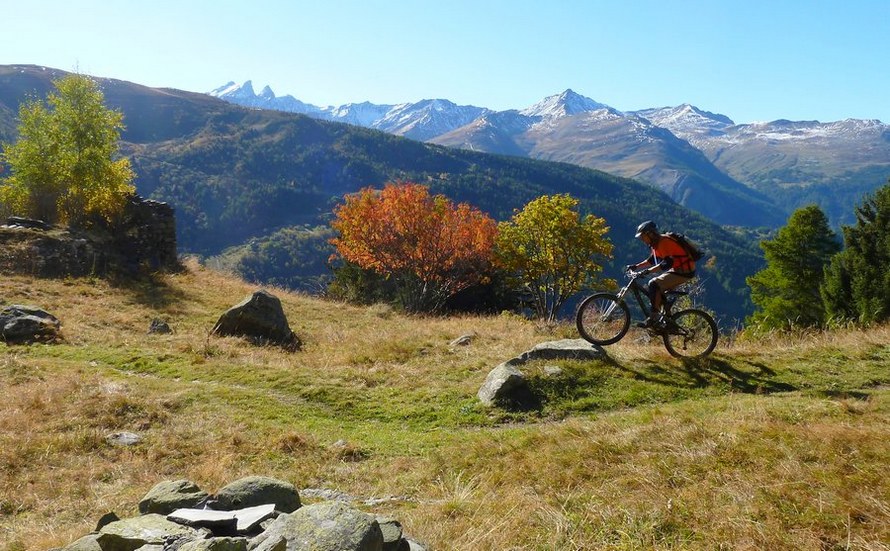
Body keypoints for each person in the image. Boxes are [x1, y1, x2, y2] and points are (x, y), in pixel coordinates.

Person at [625, 220, 696, 328]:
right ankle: (668, 320)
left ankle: (653, 317)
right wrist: (636, 266)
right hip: (678, 269)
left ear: (650, 234)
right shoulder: (656, 243)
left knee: (653, 284)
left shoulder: (664, 242)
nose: (642, 239)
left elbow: (666, 264)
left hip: (684, 271)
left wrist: (647, 271)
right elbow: (652, 260)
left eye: (643, 236)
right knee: (658, 290)